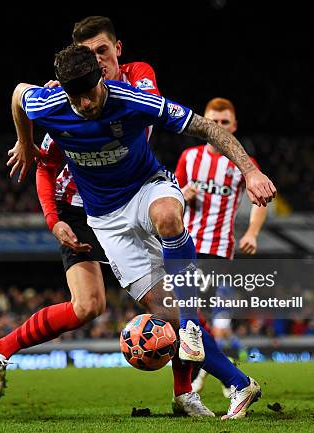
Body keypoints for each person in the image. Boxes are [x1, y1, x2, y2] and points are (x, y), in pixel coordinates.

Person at [0, 45, 276, 420]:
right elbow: (19, 94)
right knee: (162, 312)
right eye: (76, 96)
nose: (85, 103)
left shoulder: (134, 100)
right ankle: (239, 383)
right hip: (106, 221)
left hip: (147, 189)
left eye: (91, 91)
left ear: (103, 76)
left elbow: (206, 126)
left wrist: (250, 171)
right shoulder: (49, 103)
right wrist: (24, 141)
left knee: (168, 216)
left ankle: (190, 328)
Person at [23, 16, 206, 415]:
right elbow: (42, 156)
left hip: (133, 194)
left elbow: (141, 106)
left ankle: (185, 392)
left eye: (102, 52)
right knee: (88, 307)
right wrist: (51, 213)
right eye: (86, 58)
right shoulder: (64, 101)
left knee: (174, 305)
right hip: (80, 208)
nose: (96, 62)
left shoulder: (138, 78)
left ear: (118, 48)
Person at [175, 97, 267, 396]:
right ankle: (221, 374)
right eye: (212, 121)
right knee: (192, 319)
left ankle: (214, 375)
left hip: (218, 249)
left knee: (197, 319)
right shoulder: (189, 157)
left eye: (224, 122)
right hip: (185, 246)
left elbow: (260, 200)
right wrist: (182, 195)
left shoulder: (243, 163)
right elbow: (170, 197)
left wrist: (252, 232)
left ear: (234, 126)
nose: (218, 127)